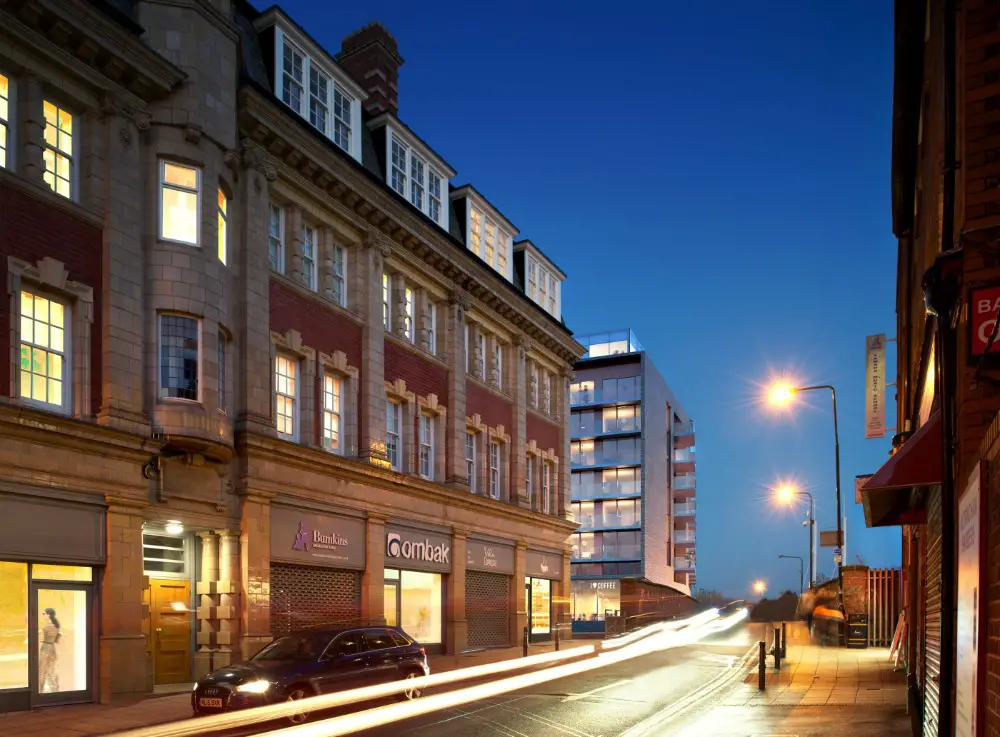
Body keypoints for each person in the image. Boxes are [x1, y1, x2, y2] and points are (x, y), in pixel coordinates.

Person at [39, 607, 60, 693]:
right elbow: (56, 640)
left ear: (49, 615)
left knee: (42, 670)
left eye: (44, 613)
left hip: (45, 649)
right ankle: (54, 691)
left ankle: (40, 691)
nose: (43, 615)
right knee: (51, 671)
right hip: (52, 649)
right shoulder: (56, 626)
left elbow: (42, 639)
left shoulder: (46, 628)